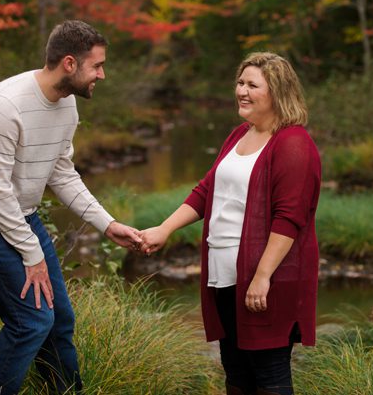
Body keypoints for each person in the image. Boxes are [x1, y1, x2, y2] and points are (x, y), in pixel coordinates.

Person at [0, 20, 145, 395]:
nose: (103, 73)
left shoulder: (67, 108)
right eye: (96, 65)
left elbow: (63, 175)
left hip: (18, 214)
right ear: (70, 63)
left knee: (59, 320)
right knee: (32, 320)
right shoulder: (6, 104)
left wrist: (107, 224)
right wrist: (32, 253)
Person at [136, 52, 322, 395]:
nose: (242, 91)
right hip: (224, 275)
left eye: (253, 85)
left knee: (269, 375)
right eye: (240, 82)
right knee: (236, 373)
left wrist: (262, 277)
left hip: (266, 277)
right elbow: (207, 191)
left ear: (278, 92)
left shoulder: (293, 143)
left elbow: (289, 218)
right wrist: (164, 228)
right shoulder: (240, 134)